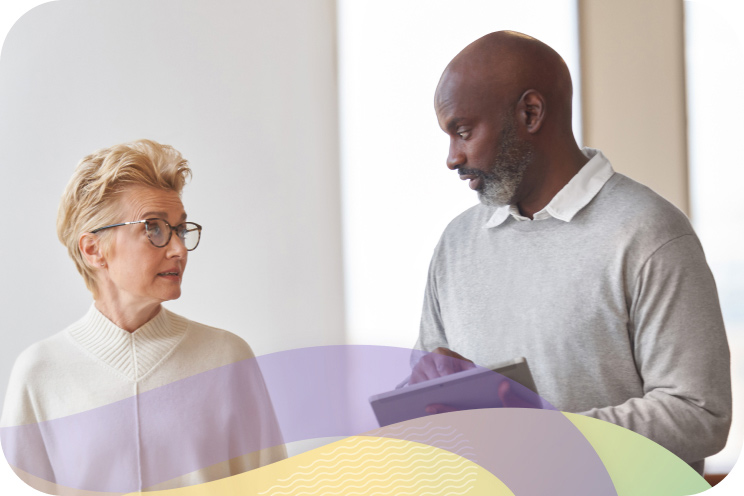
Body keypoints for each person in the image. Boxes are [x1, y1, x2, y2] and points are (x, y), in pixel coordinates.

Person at [410, 31, 731, 474]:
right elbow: (430, 394)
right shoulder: (456, 244)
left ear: (530, 113)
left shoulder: (649, 233)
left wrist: (551, 438)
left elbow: (700, 414)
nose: (452, 157)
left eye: (463, 132)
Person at [0, 140, 286, 494]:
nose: (179, 249)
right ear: (94, 250)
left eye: (180, 229)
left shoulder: (226, 358)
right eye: (154, 228)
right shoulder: (40, 373)